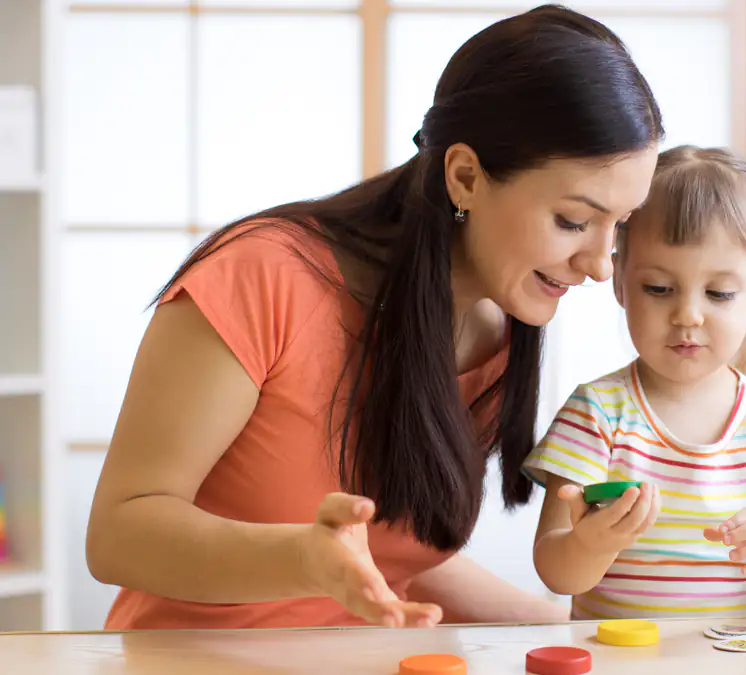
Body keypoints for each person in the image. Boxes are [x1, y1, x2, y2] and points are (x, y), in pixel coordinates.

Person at [85, 4, 662, 630]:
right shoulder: (264, 277)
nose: (602, 266)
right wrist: (300, 557)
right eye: (574, 221)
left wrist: (560, 627)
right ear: (465, 176)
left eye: (619, 226)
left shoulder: (495, 328)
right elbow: (120, 533)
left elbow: (388, 555)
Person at [524, 145, 746, 620]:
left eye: (719, 293)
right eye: (658, 288)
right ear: (620, 283)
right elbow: (554, 570)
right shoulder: (596, 412)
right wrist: (590, 546)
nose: (689, 315)